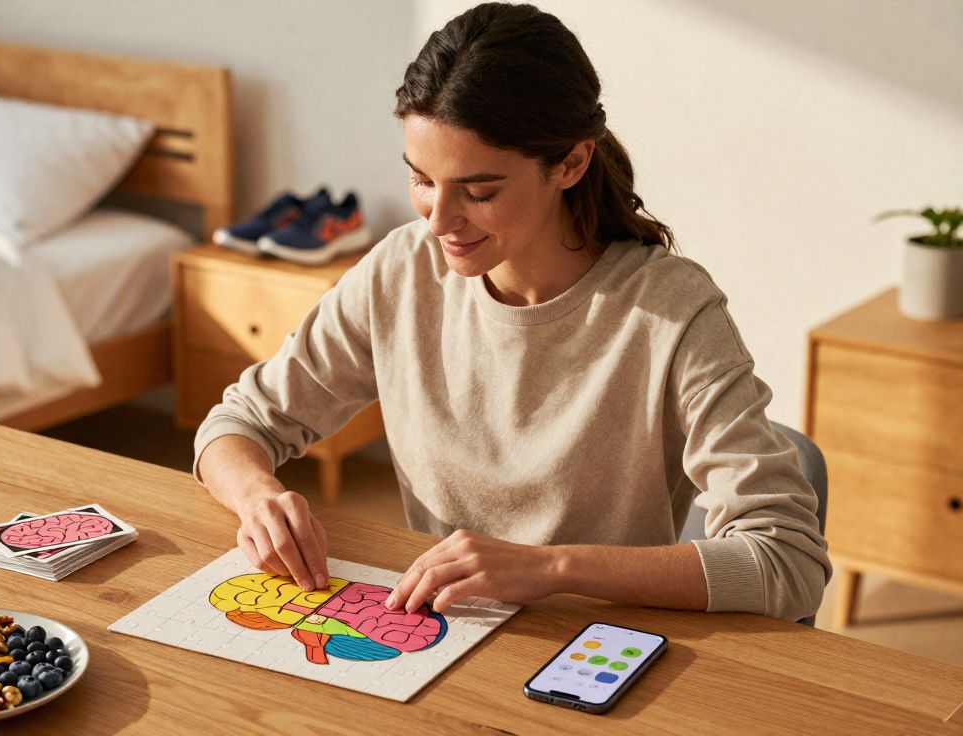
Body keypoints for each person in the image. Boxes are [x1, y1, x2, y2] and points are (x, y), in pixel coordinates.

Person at [193, 2, 830, 622]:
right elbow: (238, 423)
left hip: (594, 650)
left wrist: (550, 569)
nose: (439, 221)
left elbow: (786, 562)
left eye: (479, 190)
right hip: (447, 635)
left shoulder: (671, 314)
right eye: (420, 179)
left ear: (572, 163)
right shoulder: (402, 271)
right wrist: (259, 497)